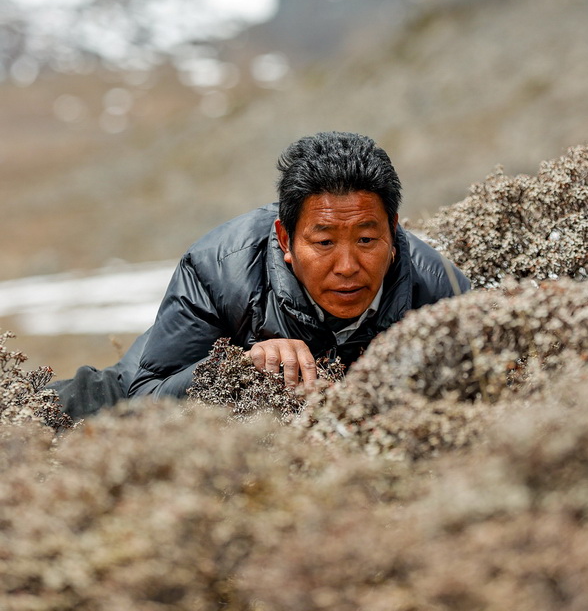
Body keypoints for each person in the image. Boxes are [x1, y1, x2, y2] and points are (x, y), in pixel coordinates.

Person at [52, 131, 470, 419]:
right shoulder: (219, 270)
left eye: (366, 240)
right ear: (285, 239)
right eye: (324, 243)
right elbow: (144, 397)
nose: (347, 266)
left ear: (393, 231)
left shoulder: (440, 292)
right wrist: (236, 366)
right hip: (134, 386)